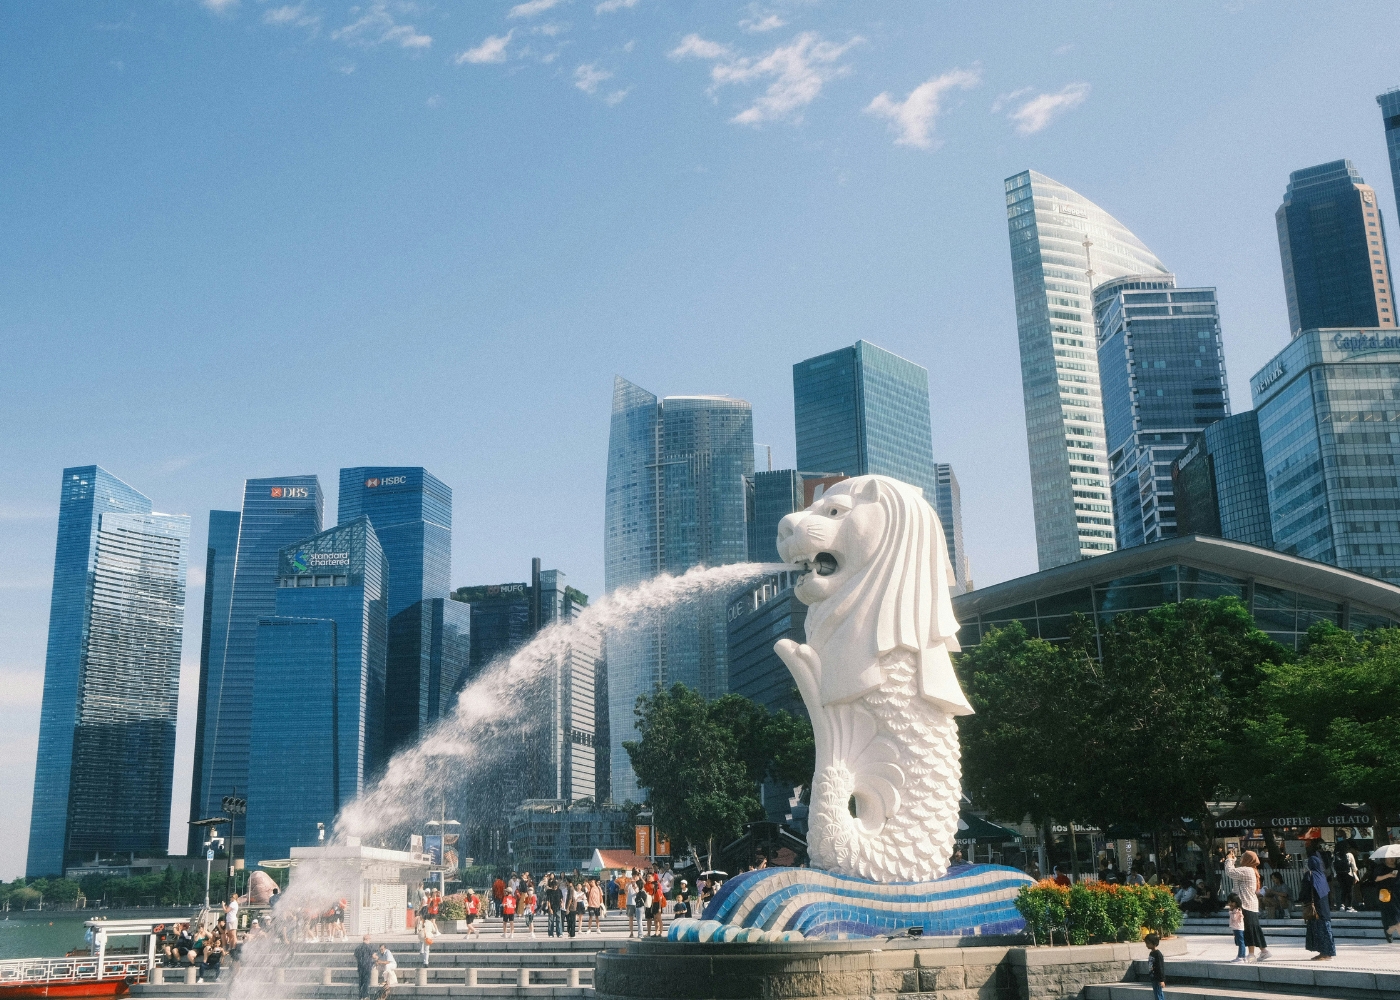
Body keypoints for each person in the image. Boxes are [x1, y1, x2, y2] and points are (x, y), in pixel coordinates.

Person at [1223, 849, 1270, 961]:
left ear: (1248, 859)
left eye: (1243, 857)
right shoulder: (1250, 870)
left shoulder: (1247, 870)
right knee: (1254, 929)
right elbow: (1234, 873)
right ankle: (1264, 951)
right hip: (1249, 904)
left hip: (1246, 904)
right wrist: (1233, 860)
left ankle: (1251, 954)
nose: (1241, 858)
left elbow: (1230, 872)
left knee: (1248, 930)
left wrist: (1229, 859)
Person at [1302, 851, 1336, 961]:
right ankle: (1326, 953)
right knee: (1326, 930)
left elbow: (1304, 891)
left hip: (1315, 908)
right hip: (1324, 908)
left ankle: (1324, 953)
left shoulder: (1309, 875)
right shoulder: (1322, 875)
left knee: (1318, 931)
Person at [1374, 855, 1399, 944]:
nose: (1392, 859)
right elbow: (1376, 878)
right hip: (1386, 896)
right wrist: (1389, 875)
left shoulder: (1398, 867)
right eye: (1389, 857)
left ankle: (1389, 931)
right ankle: (1389, 931)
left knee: (1397, 920)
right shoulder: (1381, 868)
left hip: (1397, 894)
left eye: (1394, 857)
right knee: (1395, 919)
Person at [1225, 893, 1246, 963]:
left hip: (1238, 928)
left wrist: (1231, 911)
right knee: (1240, 942)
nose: (1230, 904)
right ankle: (1241, 956)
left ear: (1236, 902)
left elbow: (1234, 918)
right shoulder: (1236, 909)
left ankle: (1241, 957)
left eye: (1232, 902)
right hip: (1236, 928)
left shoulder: (1236, 910)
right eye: (1229, 902)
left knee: (1241, 942)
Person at [354, 934, 376, 999]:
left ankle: (361, 996)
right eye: (370, 939)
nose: (370, 941)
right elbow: (373, 956)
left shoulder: (358, 947)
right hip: (367, 966)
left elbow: (355, 955)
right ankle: (365, 996)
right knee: (366, 982)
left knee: (361, 982)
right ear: (367, 939)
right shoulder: (369, 947)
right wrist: (377, 957)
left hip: (360, 967)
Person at [1145, 933, 1166, 1000]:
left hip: (1157, 978)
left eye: (1148, 943)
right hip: (1153, 978)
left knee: (1158, 994)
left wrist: (1161, 980)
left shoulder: (1158, 954)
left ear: (1154, 943)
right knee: (1156, 994)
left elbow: (1160, 967)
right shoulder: (1151, 953)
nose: (1146, 945)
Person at [624, 873, 639, 938]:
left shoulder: (638, 885)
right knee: (631, 918)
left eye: (635, 878)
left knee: (638, 918)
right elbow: (625, 891)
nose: (633, 879)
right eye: (633, 878)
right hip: (630, 903)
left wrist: (635, 886)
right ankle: (631, 932)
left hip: (637, 903)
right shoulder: (628, 885)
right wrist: (629, 884)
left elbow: (638, 893)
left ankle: (639, 932)